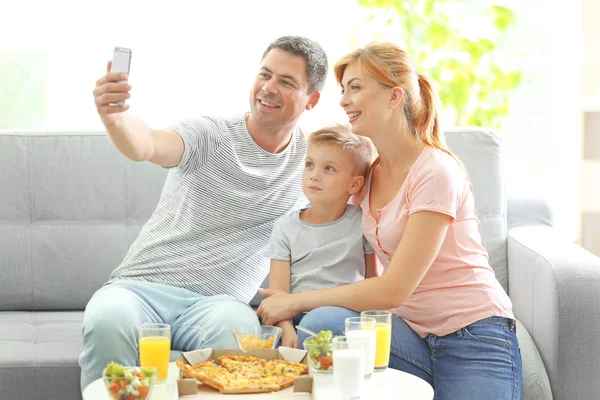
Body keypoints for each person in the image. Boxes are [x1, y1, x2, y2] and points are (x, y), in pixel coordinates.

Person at [257, 41, 522, 400]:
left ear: (394, 97)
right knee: (323, 325)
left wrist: (295, 301)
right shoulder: (367, 176)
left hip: (473, 334)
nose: (344, 100)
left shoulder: (436, 172)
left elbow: (392, 290)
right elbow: (311, 211)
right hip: (408, 334)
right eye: (343, 90)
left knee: (316, 313)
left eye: (355, 88)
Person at [79, 36, 328, 390]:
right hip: (139, 289)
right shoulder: (210, 134)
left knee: (238, 331)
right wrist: (115, 117)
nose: (268, 88)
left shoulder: (312, 162)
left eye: (286, 82)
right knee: (107, 321)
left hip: (218, 304)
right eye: (265, 74)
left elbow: (359, 176)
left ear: (312, 99)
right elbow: (147, 143)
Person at [268, 123, 378, 348]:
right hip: (292, 316)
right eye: (310, 165)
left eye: (329, 169)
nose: (314, 176)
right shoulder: (285, 227)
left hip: (342, 317)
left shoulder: (362, 223)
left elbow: (373, 281)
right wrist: (286, 327)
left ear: (354, 184)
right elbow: (278, 293)